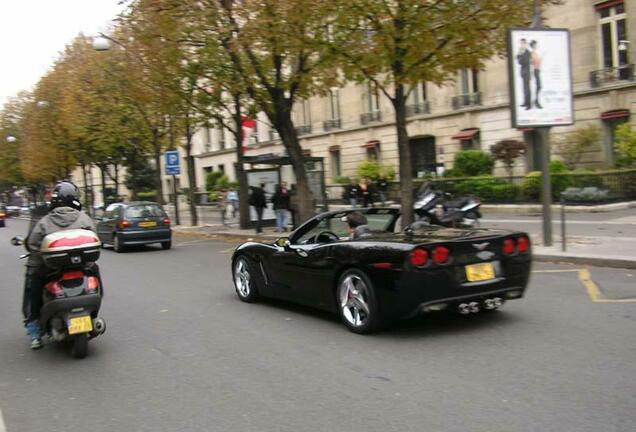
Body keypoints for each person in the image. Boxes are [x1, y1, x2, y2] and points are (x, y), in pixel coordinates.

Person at [22, 181, 97, 350]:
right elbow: (94, 236)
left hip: (53, 268)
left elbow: (33, 244)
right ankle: (93, 313)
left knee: (34, 284)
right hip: (81, 266)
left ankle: (34, 324)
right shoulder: (84, 218)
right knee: (95, 272)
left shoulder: (45, 221)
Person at [516, 38, 532, 110]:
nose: (521, 45)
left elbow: (522, 62)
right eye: (521, 43)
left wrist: (520, 56)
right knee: (524, 88)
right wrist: (520, 54)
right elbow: (517, 58)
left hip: (527, 73)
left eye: (523, 43)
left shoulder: (527, 52)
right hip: (523, 72)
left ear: (525, 44)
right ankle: (525, 102)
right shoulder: (522, 52)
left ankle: (529, 104)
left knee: (527, 89)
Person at [530, 40, 542, 109]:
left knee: (539, 86)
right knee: (539, 86)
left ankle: (536, 101)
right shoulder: (532, 53)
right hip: (535, 71)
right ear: (533, 45)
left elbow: (538, 62)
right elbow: (532, 62)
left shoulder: (536, 53)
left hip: (537, 70)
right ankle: (536, 101)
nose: (537, 45)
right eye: (536, 44)